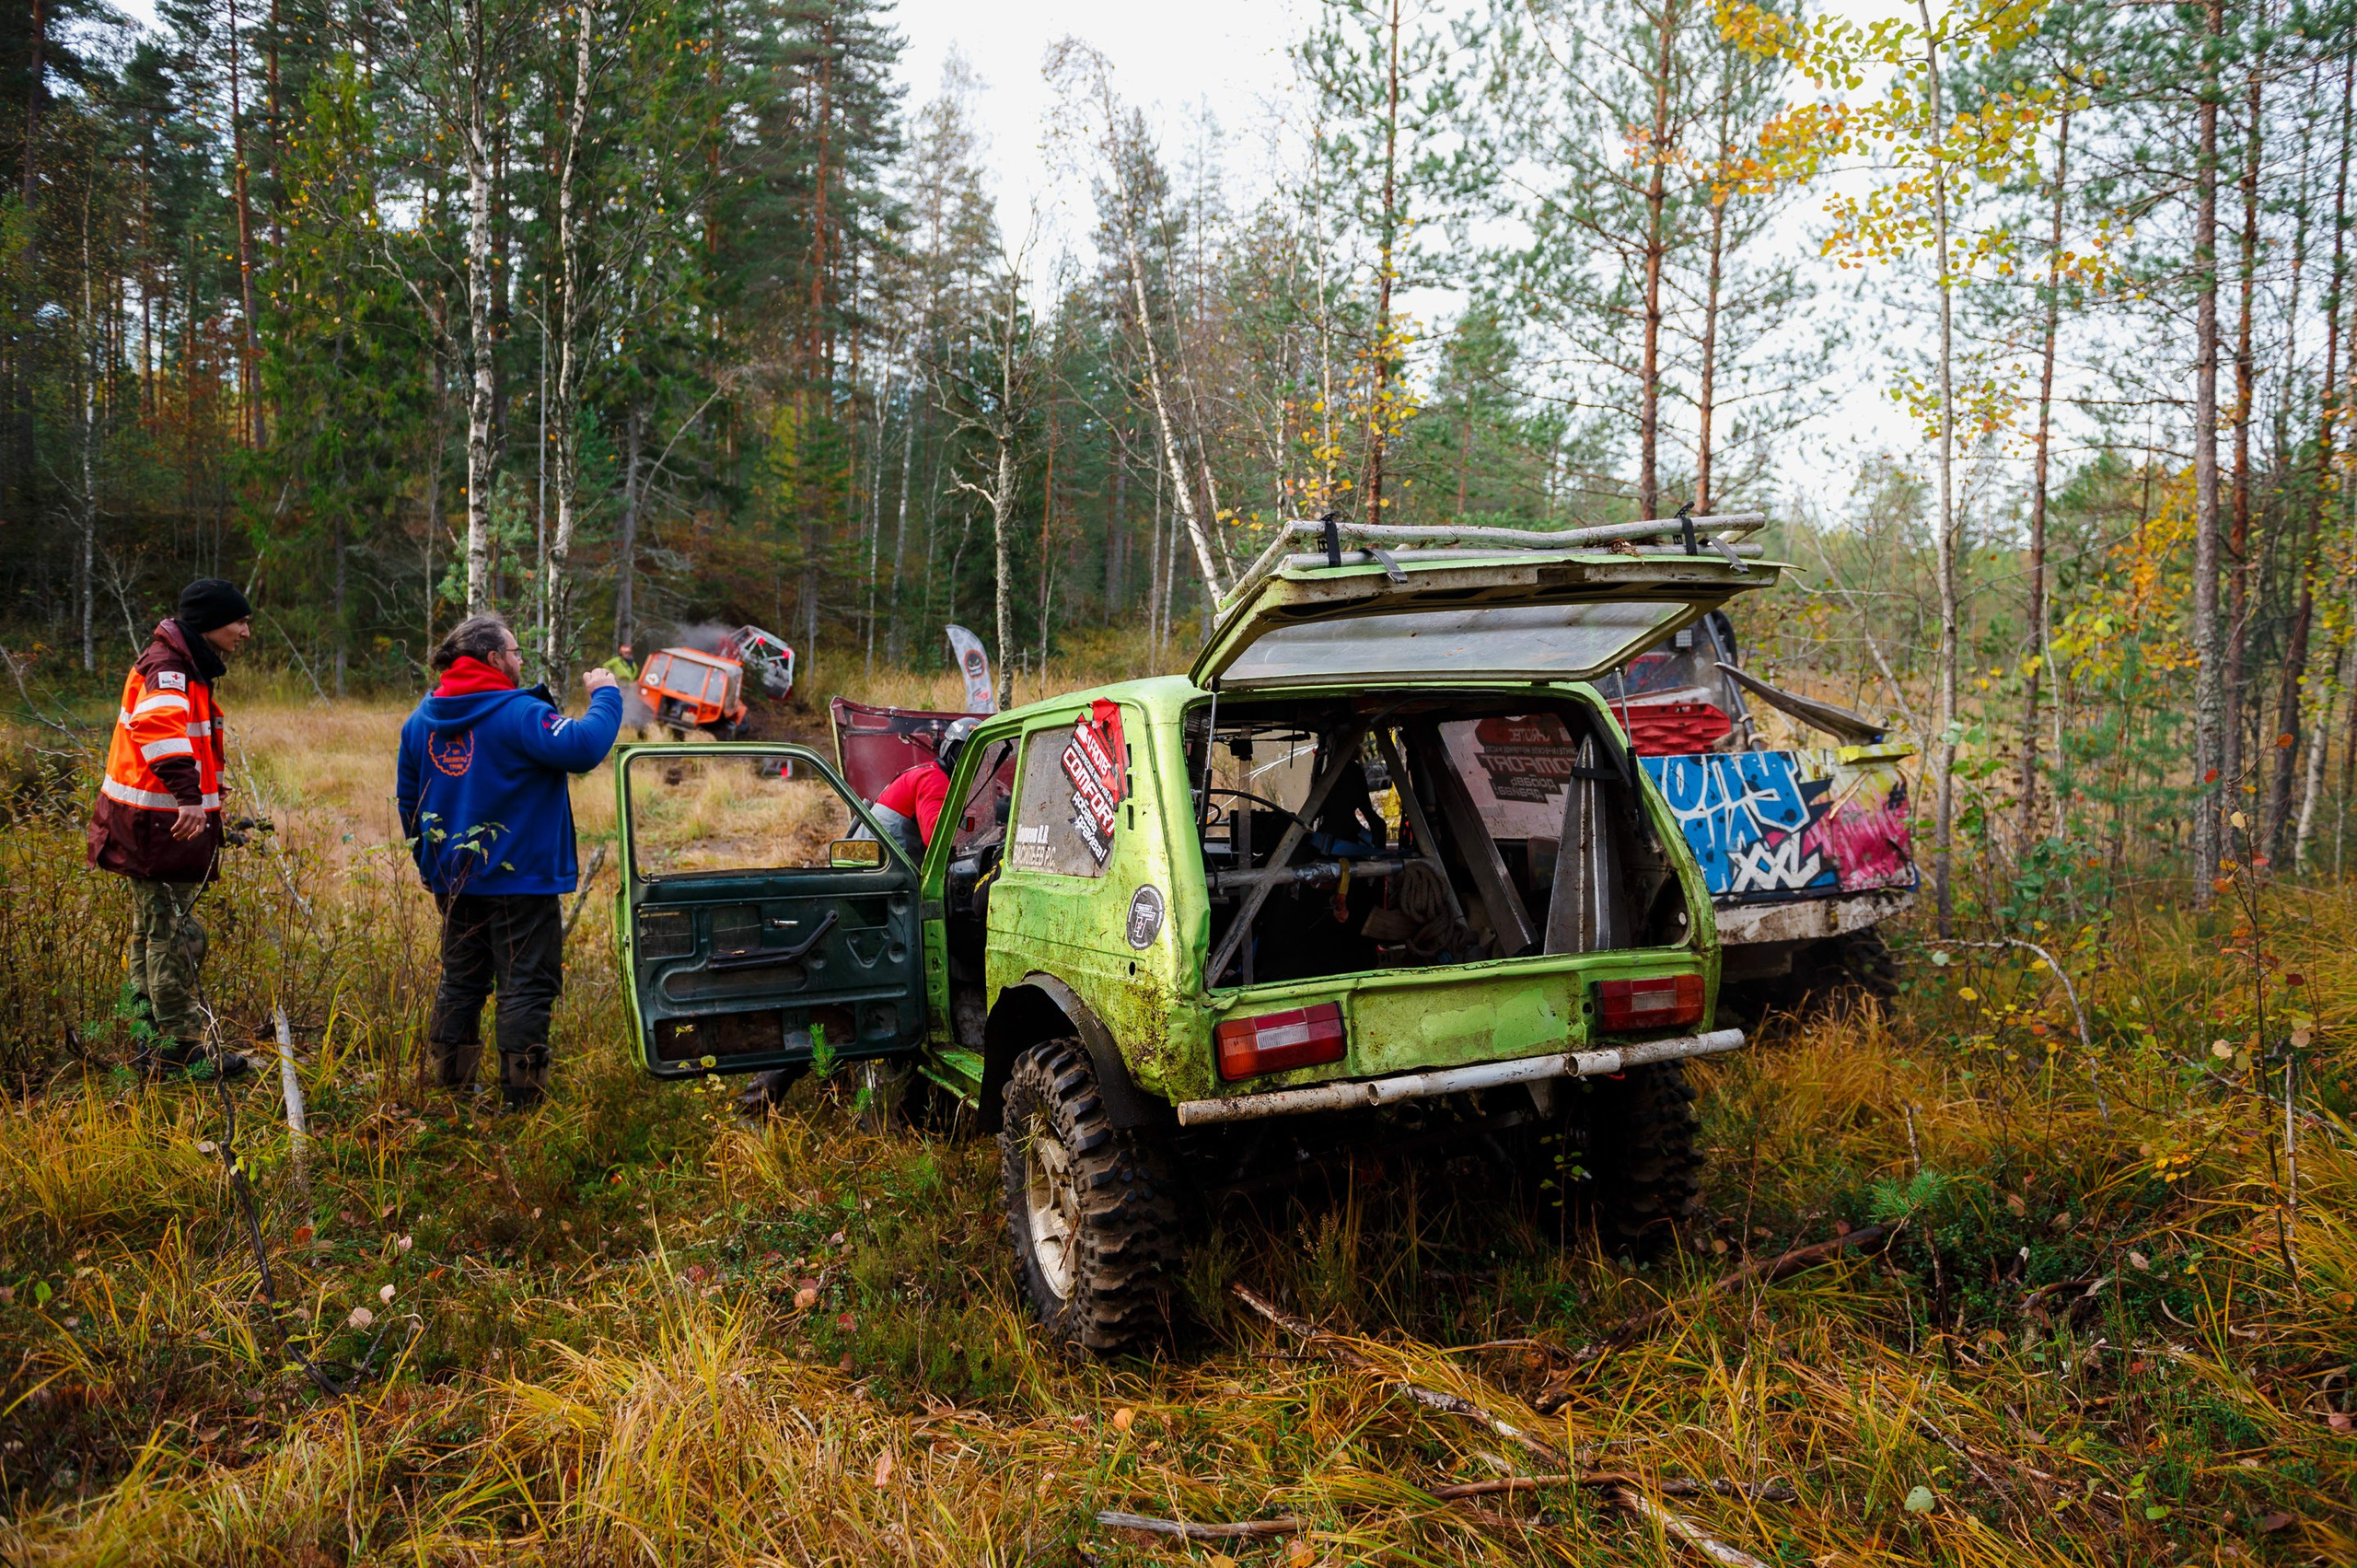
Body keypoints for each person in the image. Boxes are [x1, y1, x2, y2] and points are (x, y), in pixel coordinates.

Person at [396, 615, 622, 1110]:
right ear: (494, 659)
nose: (521, 661)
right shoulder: (518, 713)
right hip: (523, 882)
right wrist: (606, 694)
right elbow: (584, 747)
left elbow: (408, 805)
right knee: (525, 986)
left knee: (462, 981)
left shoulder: (420, 720)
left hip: (454, 881)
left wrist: (431, 869)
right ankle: (523, 1104)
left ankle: (450, 1091)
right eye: (516, 652)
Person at [89, 579, 257, 1080]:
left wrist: (211, 812)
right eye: (240, 622)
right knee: (175, 936)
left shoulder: (183, 664)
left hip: (156, 825)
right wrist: (188, 799)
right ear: (209, 623)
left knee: (150, 933)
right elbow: (159, 731)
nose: (246, 633)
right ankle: (178, 1049)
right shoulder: (169, 669)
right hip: (161, 828)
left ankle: (145, 1041)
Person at [867, 716, 981, 860]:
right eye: (963, 753)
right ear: (949, 749)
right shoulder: (934, 778)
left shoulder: (929, 772)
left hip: (881, 858)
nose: (970, 761)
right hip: (885, 866)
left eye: (976, 756)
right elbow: (935, 837)